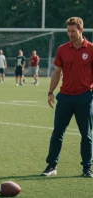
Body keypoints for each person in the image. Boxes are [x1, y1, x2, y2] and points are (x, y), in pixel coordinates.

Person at [41, 17, 93, 178]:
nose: (70, 34)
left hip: (84, 97)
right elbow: (57, 72)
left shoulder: (91, 49)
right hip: (65, 97)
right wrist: (50, 92)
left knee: (86, 134)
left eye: (73, 31)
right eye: (68, 31)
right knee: (57, 132)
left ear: (81, 31)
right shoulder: (62, 49)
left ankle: (87, 168)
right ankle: (51, 166)